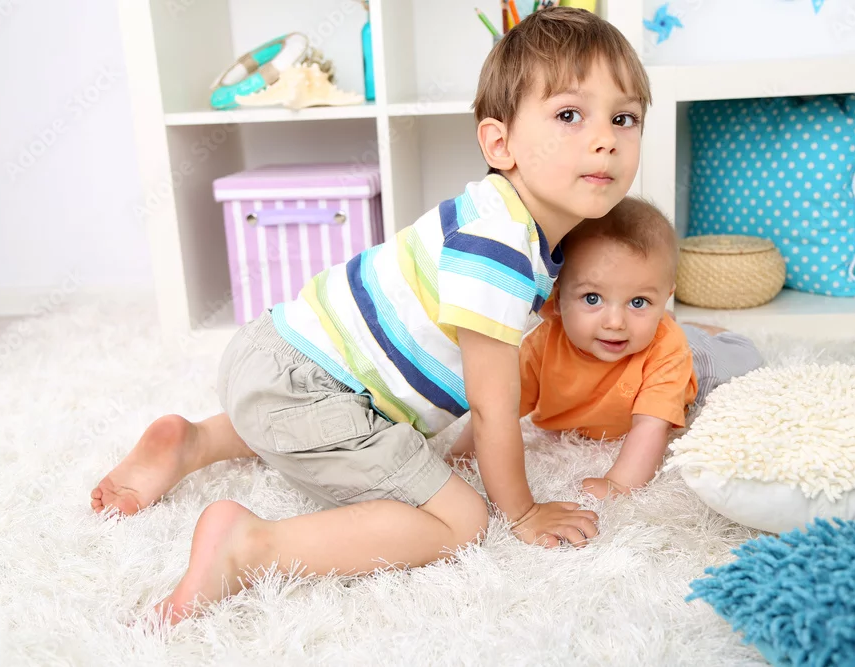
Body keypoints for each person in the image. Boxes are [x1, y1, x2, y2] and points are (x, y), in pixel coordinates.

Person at [89, 7, 651, 624]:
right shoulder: (500, 251)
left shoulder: (494, 212)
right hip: (306, 391)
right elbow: (494, 406)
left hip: (278, 356)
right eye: (569, 115)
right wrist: (521, 511)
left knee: (326, 421)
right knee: (460, 519)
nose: (605, 139)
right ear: (500, 144)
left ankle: (196, 441)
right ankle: (250, 547)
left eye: (624, 118)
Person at [447, 197, 763, 499]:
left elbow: (650, 427)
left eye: (638, 302)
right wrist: (461, 453)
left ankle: (702, 332)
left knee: (746, 358)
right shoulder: (541, 345)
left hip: (693, 365)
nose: (615, 322)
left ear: (666, 297)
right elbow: (498, 405)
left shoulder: (668, 352)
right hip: (649, 333)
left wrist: (618, 483)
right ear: (557, 297)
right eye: (592, 298)